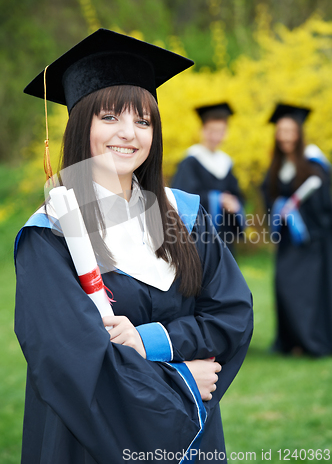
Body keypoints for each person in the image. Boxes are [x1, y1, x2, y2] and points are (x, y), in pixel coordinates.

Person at [14, 29, 253, 464]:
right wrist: (181, 381)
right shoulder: (49, 235)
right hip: (91, 443)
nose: (129, 134)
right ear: (80, 123)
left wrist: (151, 341)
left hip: (192, 444)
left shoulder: (185, 215)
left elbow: (231, 315)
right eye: (110, 117)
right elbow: (70, 366)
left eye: (143, 121)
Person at [261, 103, 332, 357]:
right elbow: (267, 196)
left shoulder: (315, 163)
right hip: (288, 243)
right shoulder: (278, 164)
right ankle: (290, 341)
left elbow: (324, 204)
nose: (285, 136)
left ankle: (311, 343)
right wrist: (280, 207)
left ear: (299, 133)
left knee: (307, 293)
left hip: (312, 243)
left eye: (290, 130)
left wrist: (298, 213)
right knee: (284, 286)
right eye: (281, 131)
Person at [172, 103, 245, 254]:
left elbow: (238, 194)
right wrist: (217, 199)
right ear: (202, 130)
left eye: (221, 131)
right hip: (198, 236)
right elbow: (183, 197)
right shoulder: (190, 161)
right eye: (212, 131)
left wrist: (234, 203)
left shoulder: (226, 163)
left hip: (224, 236)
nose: (216, 136)